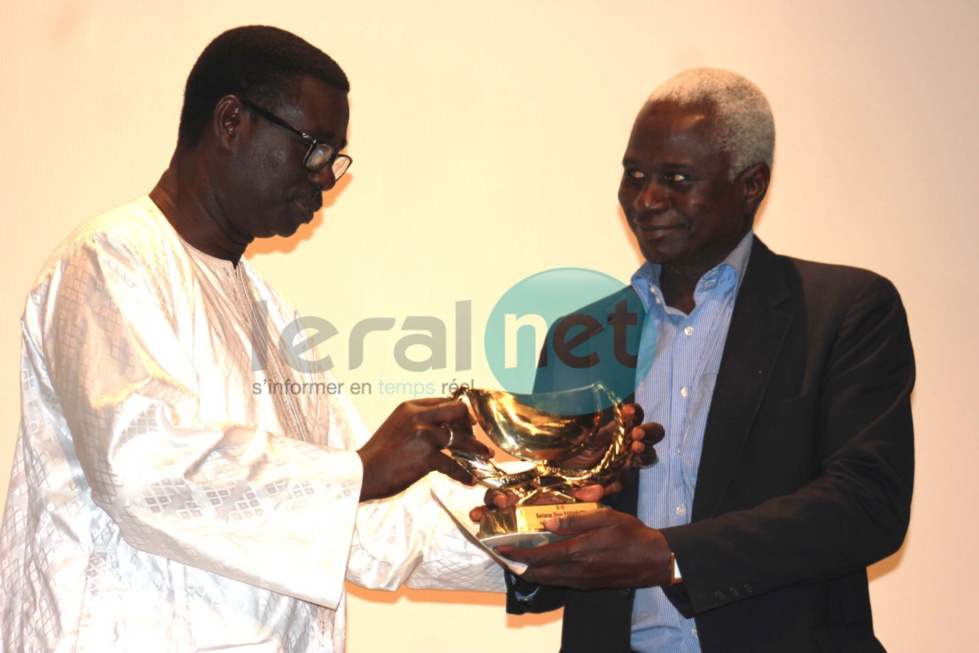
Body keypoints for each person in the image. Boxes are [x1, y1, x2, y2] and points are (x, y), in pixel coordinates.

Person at [0, 25, 512, 652]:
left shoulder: (273, 316)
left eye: (334, 157)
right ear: (232, 121)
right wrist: (357, 471)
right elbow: (142, 470)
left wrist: (536, 536)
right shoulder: (109, 261)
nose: (327, 178)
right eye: (316, 149)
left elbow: (367, 525)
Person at [497, 68, 915, 653]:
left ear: (752, 185)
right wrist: (524, 525)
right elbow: (555, 527)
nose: (646, 200)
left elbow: (868, 504)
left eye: (676, 179)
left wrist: (668, 556)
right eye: (635, 175)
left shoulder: (844, 311)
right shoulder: (581, 337)